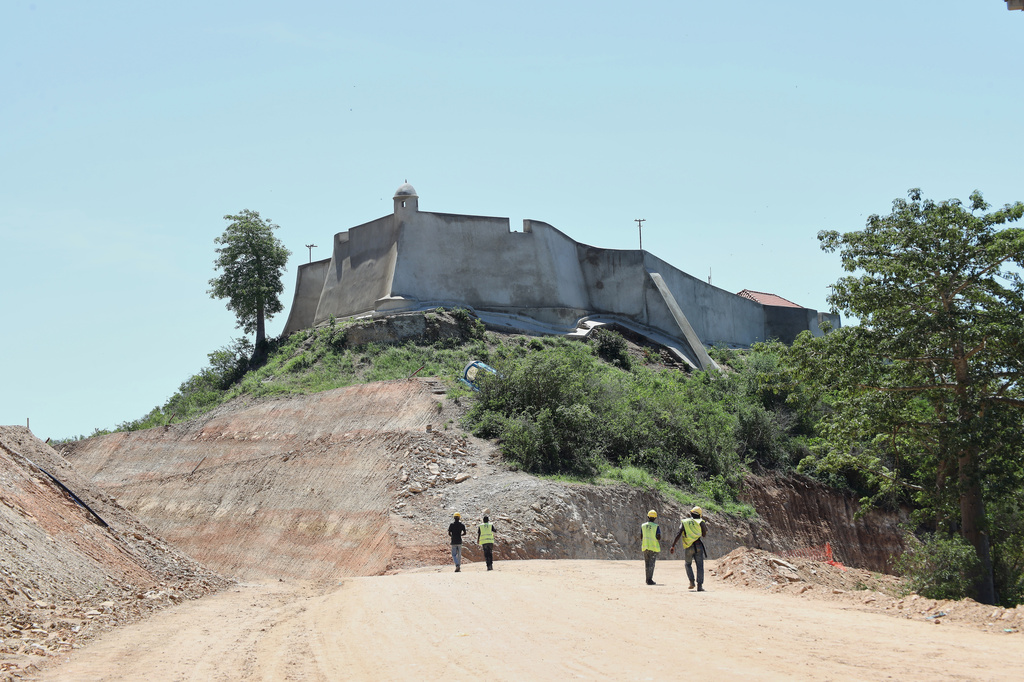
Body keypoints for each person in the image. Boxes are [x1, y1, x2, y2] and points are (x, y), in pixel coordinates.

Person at [670, 506, 708, 591]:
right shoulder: (701, 522)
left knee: (688, 564)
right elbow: (704, 534)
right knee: (700, 566)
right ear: (700, 515)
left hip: (688, 546)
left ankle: (691, 581)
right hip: (698, 545)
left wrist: (673, 545)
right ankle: (700, 586)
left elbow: (678, 533)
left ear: (691, 513)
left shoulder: (684, 522)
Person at [640, 509, 661, 585]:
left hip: (645, 546)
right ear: (655, 518)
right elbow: (658, 537)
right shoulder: (656, 526)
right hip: (653, 547)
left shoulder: (643, 525)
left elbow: (641, 536)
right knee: (651, 564)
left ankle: (647, 579)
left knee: (647, 563)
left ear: (648, 517)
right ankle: (649, 580)